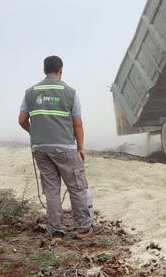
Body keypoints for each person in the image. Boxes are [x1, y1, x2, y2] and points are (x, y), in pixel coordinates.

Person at [18, 55, 103, 242]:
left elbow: (22, 121)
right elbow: (78, 124)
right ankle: (84, 228)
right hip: (65, 148)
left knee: (51, 191)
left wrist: (36, 134)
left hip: (40, 149)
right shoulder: (70, 92)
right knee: (77, 188)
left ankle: (57, 232)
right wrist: (81, 148)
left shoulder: (30, 92)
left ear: (44, 70)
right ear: (61, 70)